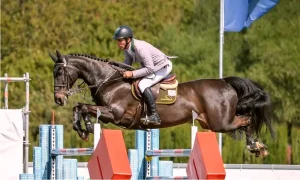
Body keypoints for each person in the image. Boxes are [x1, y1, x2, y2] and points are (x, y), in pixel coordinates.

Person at [113, 25, 173, 125]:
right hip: (153, 67)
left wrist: (132, 73)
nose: (118, 43)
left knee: (142, 84)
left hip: (162, 67)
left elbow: (150, 68)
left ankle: (154, 115)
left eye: (120, 40)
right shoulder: (128, 48)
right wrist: (116, 69)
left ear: (128, 39)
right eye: (117, 41)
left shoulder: (140, 48)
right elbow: (127, 65)